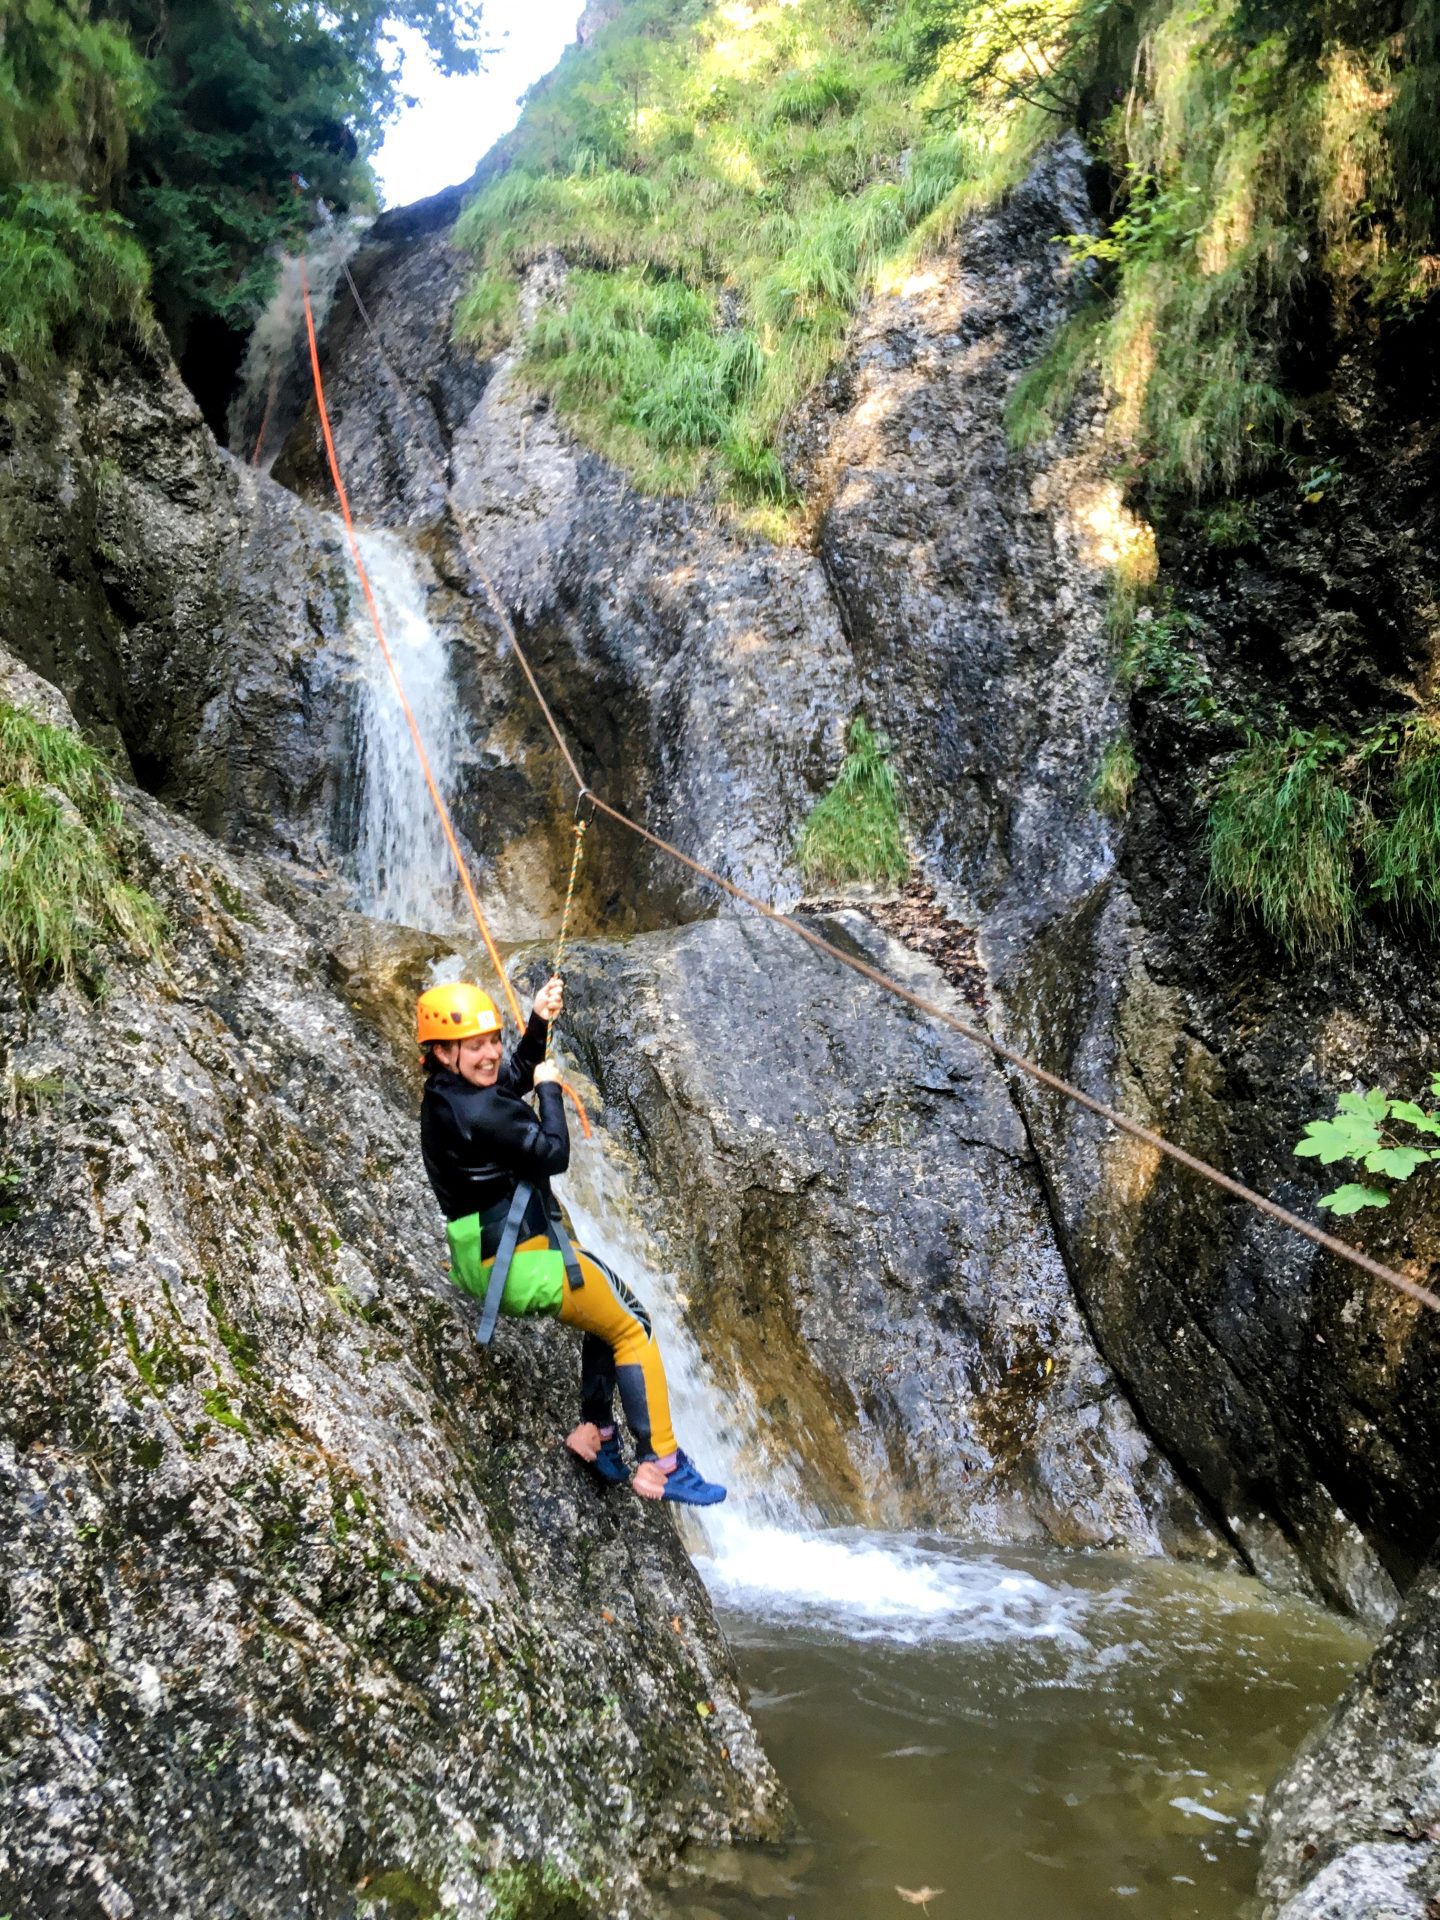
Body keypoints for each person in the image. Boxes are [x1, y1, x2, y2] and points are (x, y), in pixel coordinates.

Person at [416, 976, 725, 1506]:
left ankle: (596, 1435)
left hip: (481, 1257)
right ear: (444, 1052)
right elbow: (552, 1152)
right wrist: (552, 1088)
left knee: (603, 1311)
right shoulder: (482, 1111)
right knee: (633, 1324)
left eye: (492, 1039)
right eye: (476, 1045)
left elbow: (506, 1081)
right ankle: (661, 1464)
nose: (491, 1052)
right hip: (515, 1264)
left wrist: (537, 1023)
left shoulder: (448, 1097)